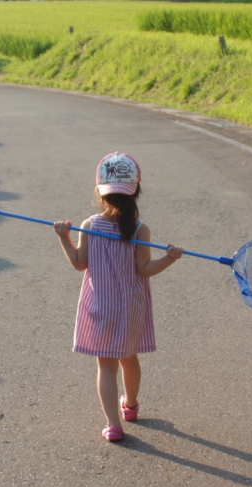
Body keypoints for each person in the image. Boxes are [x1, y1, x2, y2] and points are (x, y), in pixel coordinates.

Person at [53, 152, 184, 442]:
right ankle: (131, 406)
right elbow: (145, 269)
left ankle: (113, 424)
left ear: (99, 192)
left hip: (101, 307)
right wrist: (170, 259)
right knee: (129, 358)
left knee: (106, 366)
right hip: (130, 309)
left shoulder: (89, 225)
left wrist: (64, 237)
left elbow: (78, 263)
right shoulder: (140, 229)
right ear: (135, 191)